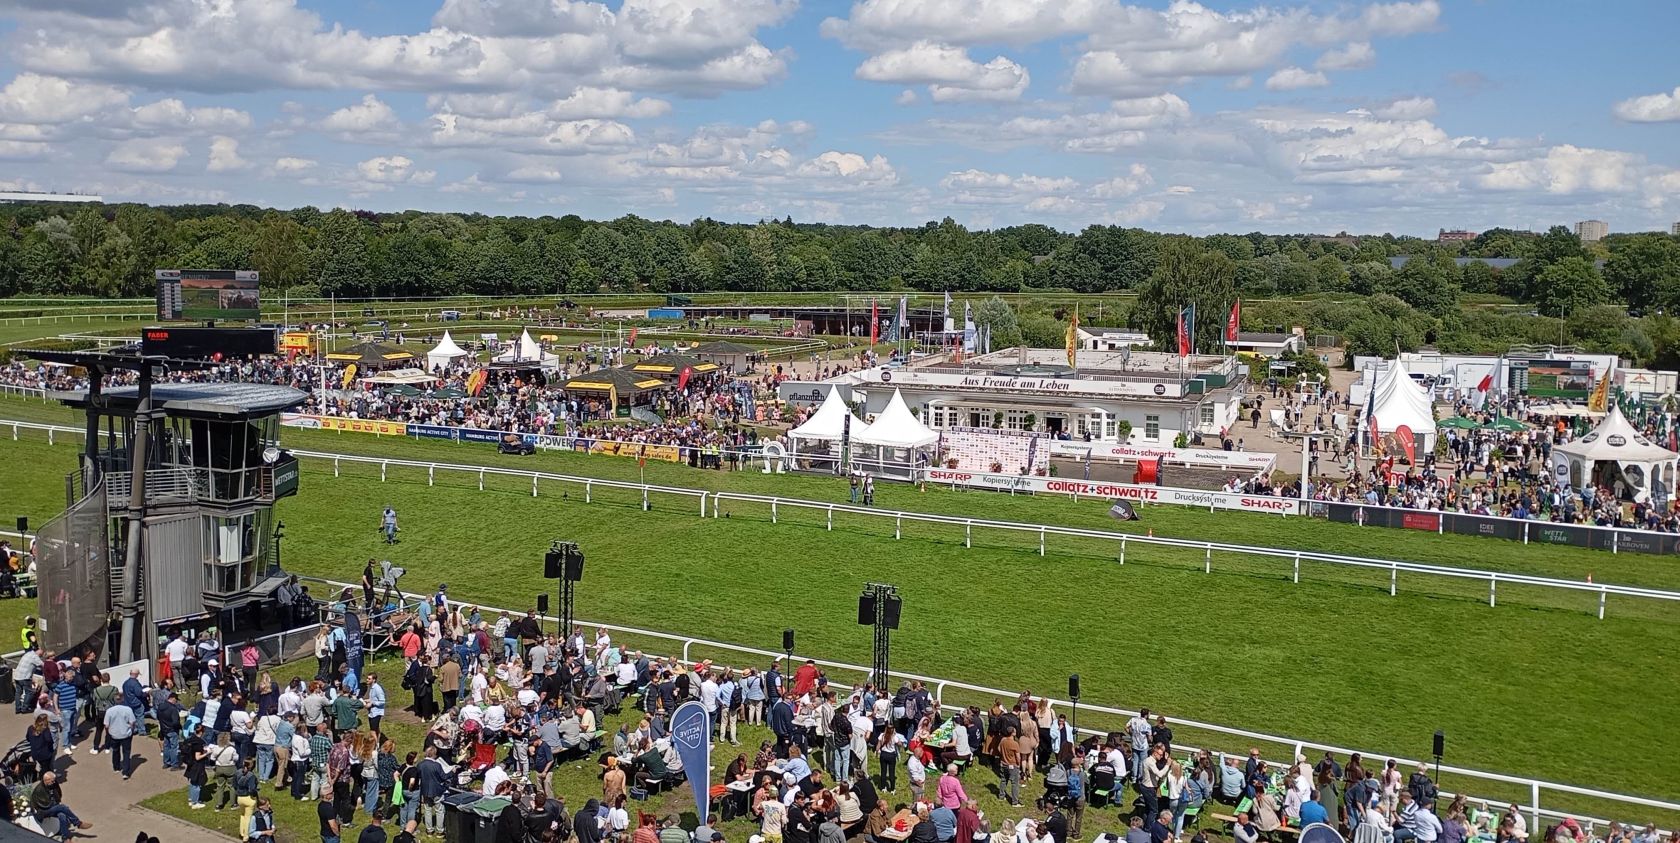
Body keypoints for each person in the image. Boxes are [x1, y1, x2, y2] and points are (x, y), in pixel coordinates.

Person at [27, 772, 91, 841]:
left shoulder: (53, 784)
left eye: (54, 780)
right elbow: (44, 805)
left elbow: (58, 794)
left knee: (62, 815)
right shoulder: (39, 790)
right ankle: (78, 823)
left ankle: (65, 838)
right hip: (42, 811)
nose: (54, 782)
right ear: (46, 780)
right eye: (52, 781)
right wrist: (58, 806)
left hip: (52, 807)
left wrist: (57, 804)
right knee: (62, 807)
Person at [104, 692, 138, 779]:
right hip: (126, 734)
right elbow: (132, 722)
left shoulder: (109, 711)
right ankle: (125, 772)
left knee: (115, 751)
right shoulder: (128, 710)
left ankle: (116, 767)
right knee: (126, 753)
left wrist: (108, 732)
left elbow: (106, 725)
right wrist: (132, 729)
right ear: (123, 699)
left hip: (114, 734)